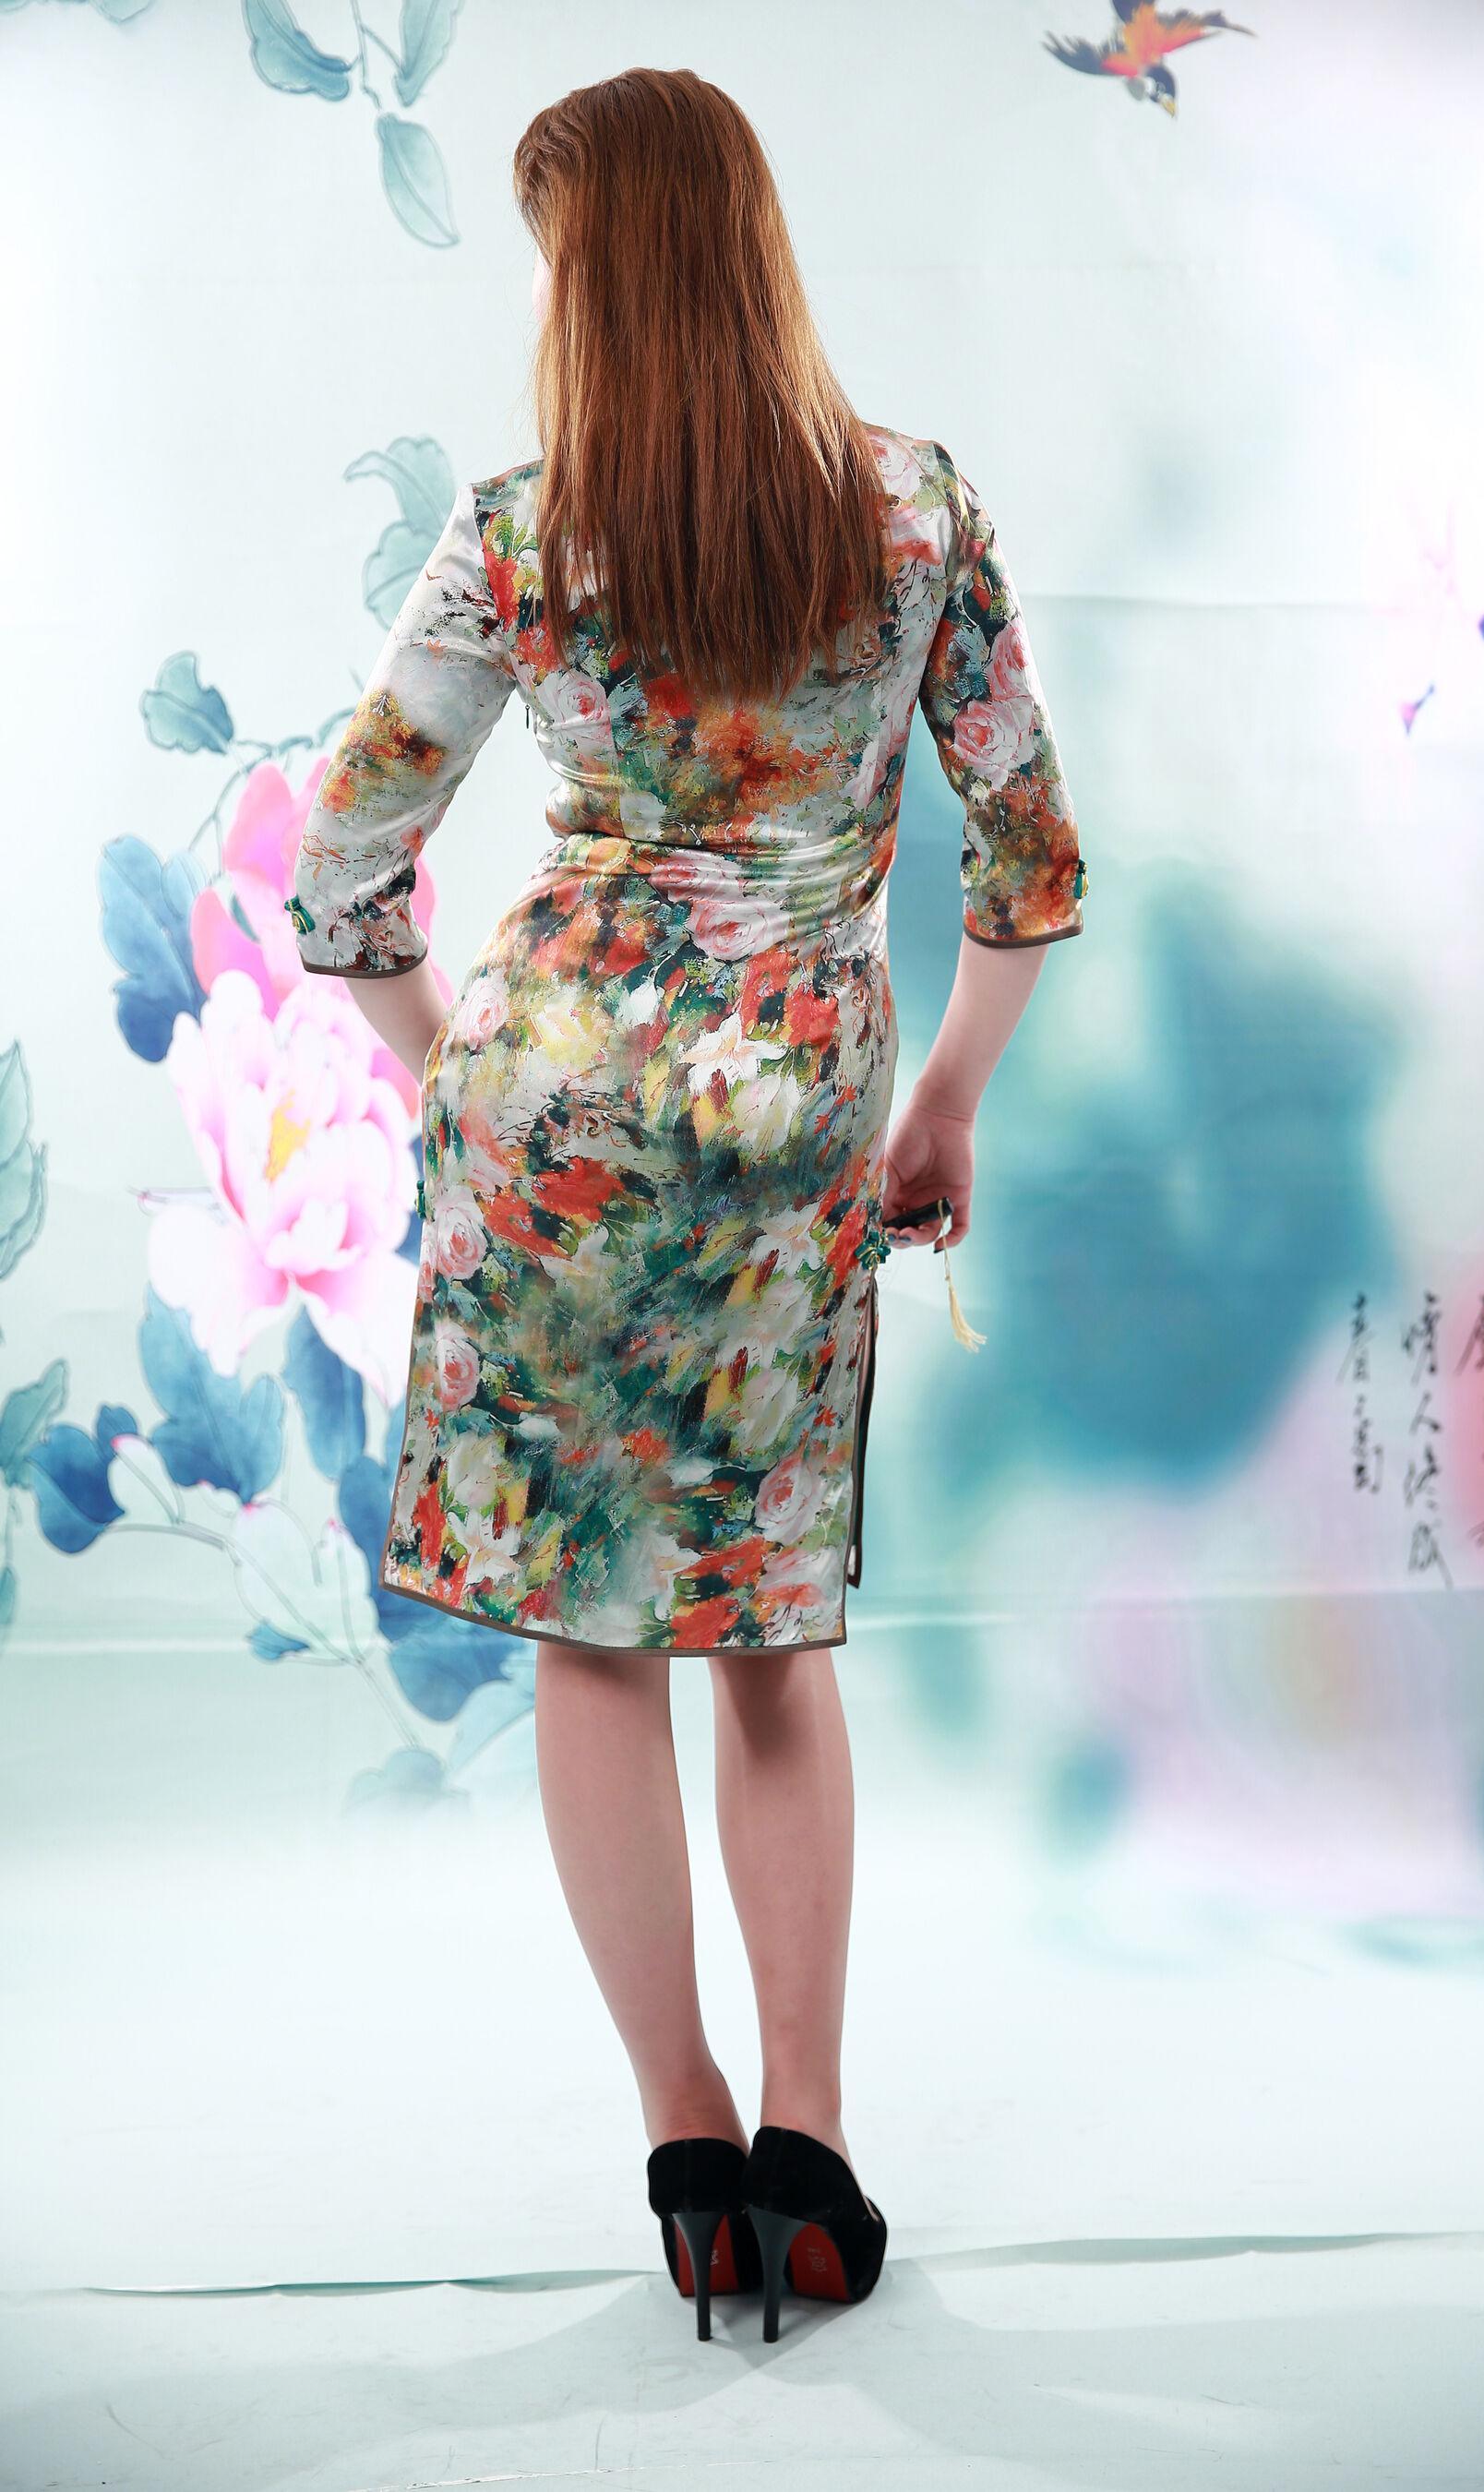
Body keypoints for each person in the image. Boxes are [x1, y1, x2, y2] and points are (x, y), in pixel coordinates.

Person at [285, 66, 1086, 2343]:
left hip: (555, 1102)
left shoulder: (521, 532)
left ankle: (686, 2137)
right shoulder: (912, 509)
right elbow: (1030, 860)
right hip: (794, 1120)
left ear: (589, 279)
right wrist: (938, 1109)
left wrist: (470, 1094)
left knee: (592, 1639)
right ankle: (809, 2148)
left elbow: (341, 868)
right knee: (770, 1640)